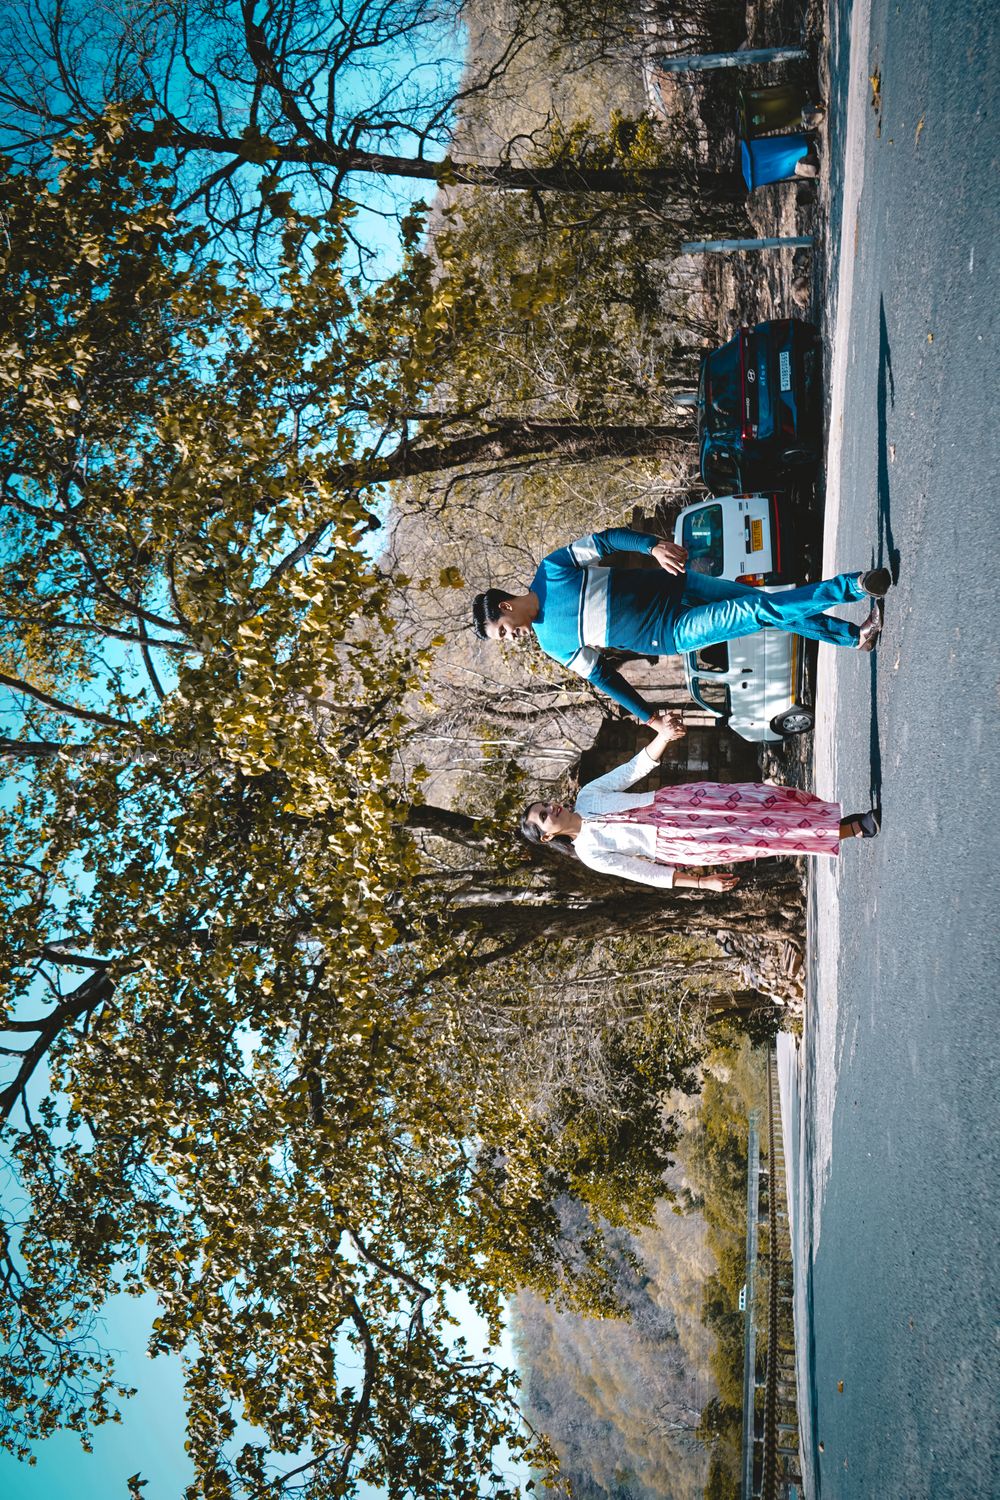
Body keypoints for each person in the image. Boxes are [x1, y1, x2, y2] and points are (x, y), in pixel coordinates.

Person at [472, 524, 890, 723]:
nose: (511, 638)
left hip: (677, 583)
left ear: (506, 606)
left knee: (764, 603)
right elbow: (604, 678)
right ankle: (851, 587)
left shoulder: (553, 570)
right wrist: (646, 715)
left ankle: (854, 637)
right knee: (759, 613)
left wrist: (651, 546)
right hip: (673, 631)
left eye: (504, 631)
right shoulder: (552, 644)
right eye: (503, 639)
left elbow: (605, 541)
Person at [519, 712, 879, 893]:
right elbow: (642, 872)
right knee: (762, 836)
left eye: (545, 805)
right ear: (548, 837)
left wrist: (663, 736)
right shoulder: (590, 854)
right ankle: (848, 828)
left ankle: (826, 819)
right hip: (682, 843)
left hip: (682, 802)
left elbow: (633, 770)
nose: (551, 809)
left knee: (764, 800)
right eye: (544, 817)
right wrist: (700, 884)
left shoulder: (587, 796)